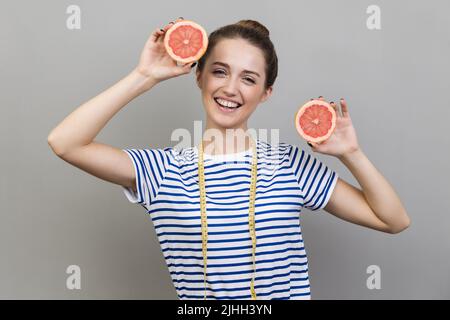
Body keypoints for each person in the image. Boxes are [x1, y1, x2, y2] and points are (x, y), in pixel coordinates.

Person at [47, 17, 411, 300]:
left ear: (266, 93)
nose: (231, 88)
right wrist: (143, 76)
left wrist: (351, 154)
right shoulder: (160, 171)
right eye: (220, 71)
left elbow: (393, 220)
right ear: (199, 76)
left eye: (249, 79)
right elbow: (65, 143)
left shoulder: (291, 166)